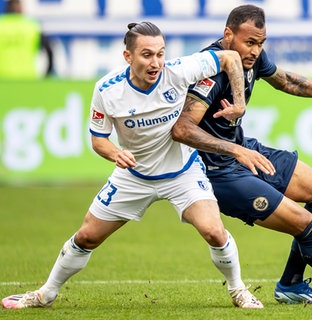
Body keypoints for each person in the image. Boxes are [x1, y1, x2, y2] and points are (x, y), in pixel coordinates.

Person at [1, 21, 263, 310]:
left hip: (182, 172)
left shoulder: (178, 71)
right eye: (147, 55)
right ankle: (45, 294)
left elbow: (230, 58)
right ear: (128, 57)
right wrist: (115, 153)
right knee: (86, 236)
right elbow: (98, 139)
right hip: (133, 176)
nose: (156, 63)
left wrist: (240, 103)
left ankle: (238, 290)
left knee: (214, 230)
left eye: (160, 54)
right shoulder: (107, 90)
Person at [171, 4, 312, 304]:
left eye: (261, 43)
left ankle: (291, 284)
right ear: (227, 34)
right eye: (250, 43)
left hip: (243, 151)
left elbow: (285, 81)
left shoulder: (252, 58)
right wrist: (234, 150)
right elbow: (182, 129)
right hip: (216, 170)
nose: (256, 51)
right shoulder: (209, 69)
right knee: (307, 225)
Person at [0, 0, 54, 79]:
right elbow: (49, 52)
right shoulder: (31, 26)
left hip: (3, 80)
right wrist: (47, 75)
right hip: (28, 80)